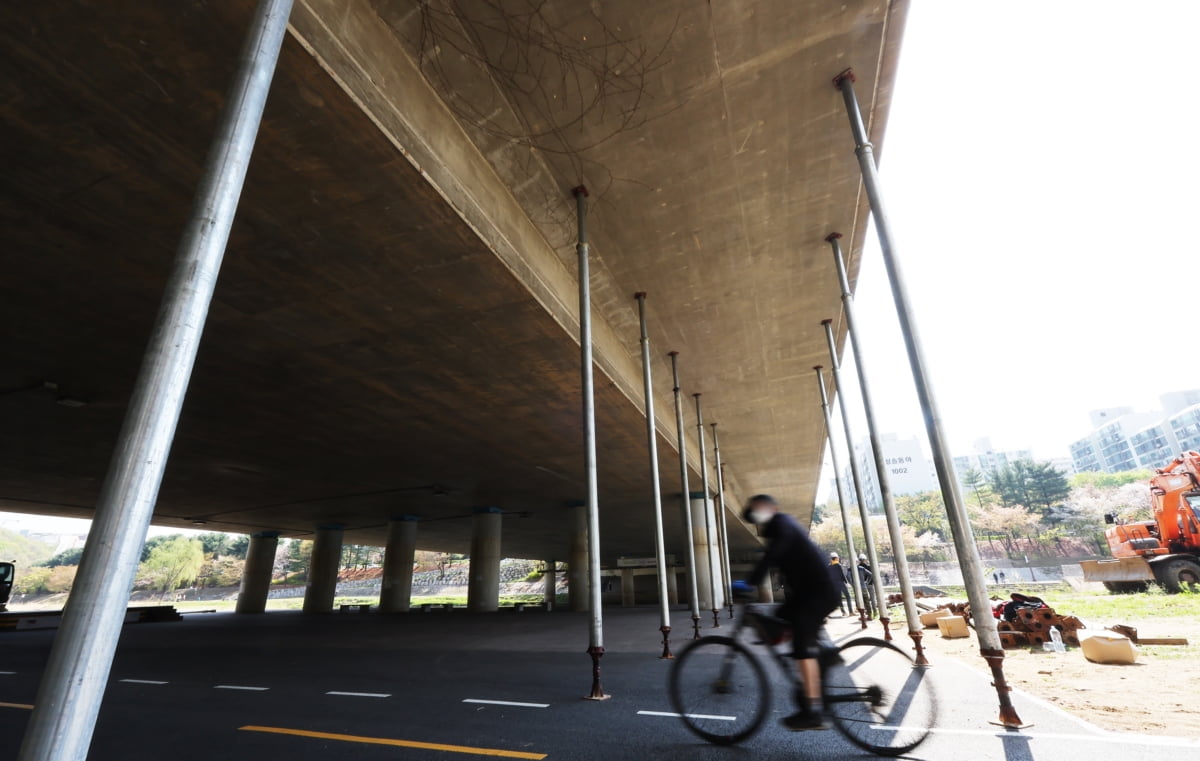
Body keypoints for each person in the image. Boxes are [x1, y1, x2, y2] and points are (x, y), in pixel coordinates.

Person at [732, 495, 840, 731]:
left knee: (801, 646)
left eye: (759, 508)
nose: (757, 515)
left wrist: (750, 583)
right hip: (810, 592)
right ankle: (822, 654)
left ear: (773, 507)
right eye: (754, 513)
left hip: (818, 592)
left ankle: (813, 712)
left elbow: (772, 557)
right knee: (783, 614)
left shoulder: (783, 524)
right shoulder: (777, 527)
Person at [827, 552, 852, 617]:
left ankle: (843, 612)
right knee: (848, 596)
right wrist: (846, 582)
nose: (838, 558)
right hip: (841, 583)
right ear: (836, 558)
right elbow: (842, 575)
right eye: (837, 557)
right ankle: (851, 611)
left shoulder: (829, 566)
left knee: (839, 599)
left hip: (835, 585)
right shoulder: (838, 565)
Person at [856, 554, 875, 619]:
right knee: (872, 599)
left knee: (864, 600)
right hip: (869, 584)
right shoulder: (868, 567)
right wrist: (868, 582)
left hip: (862, 586)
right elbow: (871, 575)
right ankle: (873, 612)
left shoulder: (857, 568)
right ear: (865, 560)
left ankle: (865, 613)